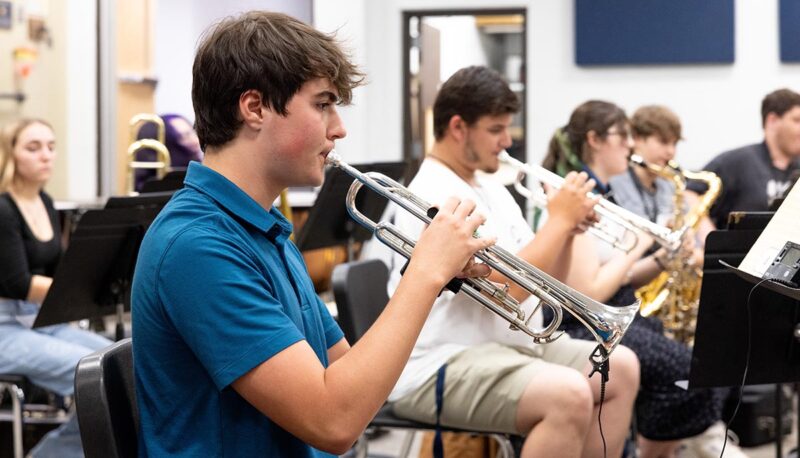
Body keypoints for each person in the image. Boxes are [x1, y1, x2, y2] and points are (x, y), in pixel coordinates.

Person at [131, 11, 495, 457]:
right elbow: (334, 421)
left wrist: (437, 276)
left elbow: (354, 385)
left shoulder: (266, 232)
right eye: (323, 104)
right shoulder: (197, 245)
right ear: (255, 107)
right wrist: (424, 274)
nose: (338, 128)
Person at [384, 66, 640, 458]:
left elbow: (546, 278)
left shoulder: (491, 187)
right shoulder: (432, 195)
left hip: (508, 347)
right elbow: (509, 292)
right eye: (496, 129)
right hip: (443, 360)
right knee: (567, 395)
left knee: (621, 367)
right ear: (458, 127)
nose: (507, 142)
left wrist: (568, 231)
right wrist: (558, 220)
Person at [542, 101, 738, 458]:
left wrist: (663, 256)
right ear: (595, 140)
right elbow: (593, 291)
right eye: (623, 137)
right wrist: (643, 242)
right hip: (586, 323)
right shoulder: (573, 198)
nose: (630, 146)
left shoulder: (600, 195)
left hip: (620, 310)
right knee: (689, 374)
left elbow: (619, 276)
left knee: (706, 365)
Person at [0, 118, 112, 457]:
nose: (45, 155)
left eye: (50, 146)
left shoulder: (45, 202)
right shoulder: (3, 209)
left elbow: (57, 271)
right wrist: (80, 288)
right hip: (6, 328)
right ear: (11, 155)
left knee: (122, 359)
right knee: (99, 378)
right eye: (33, 148)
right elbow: (18, 283)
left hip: (41, 320)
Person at [692, 88, 800, 238]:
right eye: (797, 120)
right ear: (772, 120)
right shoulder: (739, 161)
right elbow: (689, 192)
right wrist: (710, 240)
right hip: (737, 258)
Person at [133, 113, 203, 191]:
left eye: (194, 133)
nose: (196, 140)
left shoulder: (199, 171)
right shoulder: (148, 185)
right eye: (184, 137)